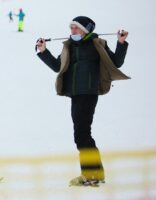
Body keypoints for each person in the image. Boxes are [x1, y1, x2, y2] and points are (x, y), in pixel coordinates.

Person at [36, 16, 130, 186]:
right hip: (75, 94)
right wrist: (44, 52)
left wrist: (121, 43)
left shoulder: (97, 44)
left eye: (76, 28)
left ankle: (91, 174)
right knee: (83, 134)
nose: (73, 31)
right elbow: (58, 66)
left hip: (88, 93)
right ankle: (95, 173)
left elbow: (117, 62)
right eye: (71, 28)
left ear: (86, 30)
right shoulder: (69, 46)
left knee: (81, 134)